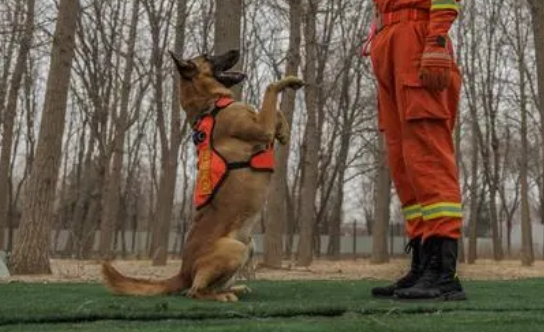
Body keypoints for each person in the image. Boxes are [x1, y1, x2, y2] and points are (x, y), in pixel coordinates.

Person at [364, 0, 466, 301]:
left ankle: (443, 272)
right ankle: (423, 263)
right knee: (404, 164)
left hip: (417, 40)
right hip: (388, 43)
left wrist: (436, 39)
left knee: (428, 159)